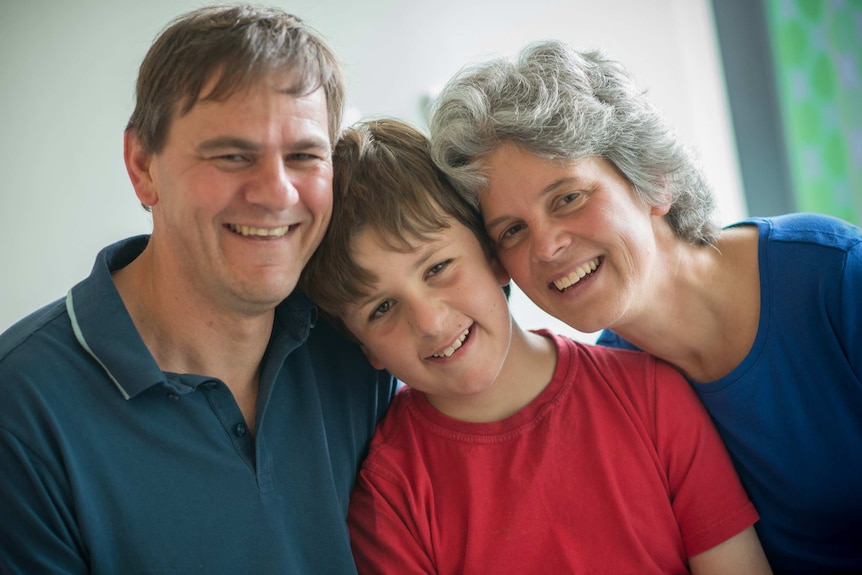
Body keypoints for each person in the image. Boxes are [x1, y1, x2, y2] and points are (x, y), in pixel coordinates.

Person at [428, 39, 862, 574]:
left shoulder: (835, 278)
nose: (544, 248)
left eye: (568, 197)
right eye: (512, 230)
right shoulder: (622, 392)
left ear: (654, 178)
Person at [0, 5, 396, 573]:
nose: (277, 194)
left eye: (305, 156)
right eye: (233, 155)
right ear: (143, 165)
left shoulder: (364, 342)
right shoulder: (22, 412)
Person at [299, 118, 772, 574]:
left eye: (438, 268)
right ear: (366, 349)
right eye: (381, 309)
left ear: (494, 256)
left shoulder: (652, 397)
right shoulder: (390, 492)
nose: (429, 321)